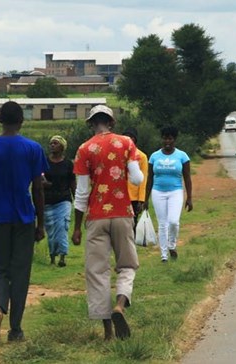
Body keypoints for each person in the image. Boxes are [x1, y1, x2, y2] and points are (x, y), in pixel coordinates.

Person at [0, 101, 48, 343]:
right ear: (21, 121)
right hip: (24, 217)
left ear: (0, 120)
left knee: (0, 270)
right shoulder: (33, 148)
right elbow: (38, 189)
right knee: (21, 273)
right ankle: (15, 330)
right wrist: (41, 224)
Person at [71, 105, 144, 340]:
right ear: (111, 123)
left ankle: (107, 331)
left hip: (96, 216)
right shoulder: (126, 143)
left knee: (97, 271)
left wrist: (76, 228)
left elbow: (81, 193)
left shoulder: (84, 149)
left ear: (92, 124)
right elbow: (137, 177)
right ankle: (120, 306)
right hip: (123, 213)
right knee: (127, 264)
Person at [145, 126, 193, 263]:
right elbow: (149, 178)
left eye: (170, 138)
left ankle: (172, 245)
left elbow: (187, 178)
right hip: (157, 191)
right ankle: (164, 255)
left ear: (174, 140)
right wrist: (145, 199)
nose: (167, 141)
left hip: (175, 191)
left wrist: (189, 198)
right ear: (162, 139)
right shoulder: (154, 156)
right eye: (165, 138)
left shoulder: (182, 156)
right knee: (162, 224)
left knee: (173, 221)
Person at [42, 135, 76, 267]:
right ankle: (52, 257)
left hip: (63, 200)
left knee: (62, 226)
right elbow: (39, 177)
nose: (52, 145)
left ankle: (62, 256)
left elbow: (72, 182)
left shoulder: (68, 164)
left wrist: (76, 199)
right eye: (51, 143)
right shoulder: (44, 162)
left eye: (55, 143)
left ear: (62, 147)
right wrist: (43, 182)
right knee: (50, 229)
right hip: (47, 200)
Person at [122, 127, 148, 231]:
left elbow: (143, 179)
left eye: (131, 138)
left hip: (134, 197)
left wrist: (141, 200)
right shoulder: (118, 155)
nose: (128, 140)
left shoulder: (141, 156)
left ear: (135, 139)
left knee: (132, 222)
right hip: (120, 195)